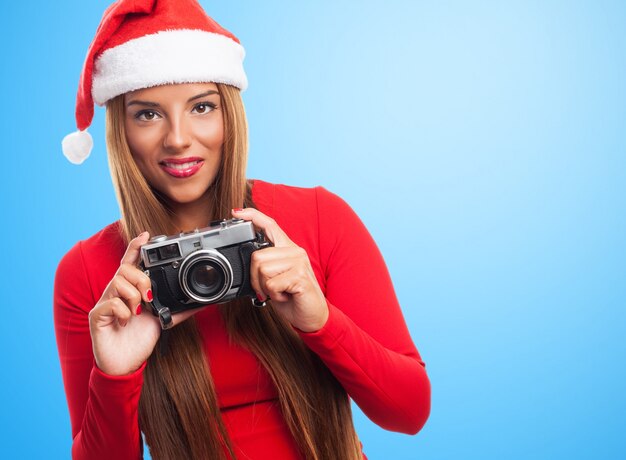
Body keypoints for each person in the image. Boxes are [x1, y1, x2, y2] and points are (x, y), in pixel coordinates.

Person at [53, 1, 431, 459]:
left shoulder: (317, 218)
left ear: (229, 114)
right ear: (121, 128)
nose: (177, 138)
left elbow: (409, 412)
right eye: (147, 114)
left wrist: (322, 323)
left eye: (202, 106)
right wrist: (115, 375)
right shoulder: (92, 276)